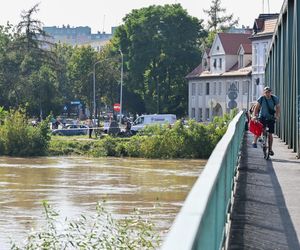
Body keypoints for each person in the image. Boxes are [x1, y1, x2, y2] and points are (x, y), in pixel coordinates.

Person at [251, 86, 280, 155]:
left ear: (271, 92)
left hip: (271, 118)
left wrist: (277, 115)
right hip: (262, 117)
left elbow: (278, 107)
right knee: (260, 129)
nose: (268, 93)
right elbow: (256, 108)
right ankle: (255, 141)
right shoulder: (261, 98)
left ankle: (270, 149)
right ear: (264, 93)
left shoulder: (274, 98)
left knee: (270, 134)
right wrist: (254, 116)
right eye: (266, 92)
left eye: (269, 92)